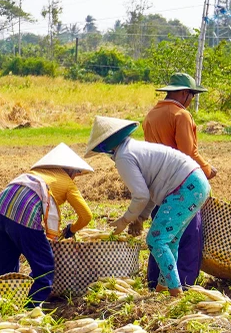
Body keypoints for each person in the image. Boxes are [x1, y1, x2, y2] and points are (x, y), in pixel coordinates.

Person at [85, 116, 211, 298]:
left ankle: (176, 294)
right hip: (196, 183)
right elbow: (151, 190)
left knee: (156, 240)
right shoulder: (134, 148)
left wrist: (125, 219)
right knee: (170, 241)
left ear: (107, 146)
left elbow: (141, 195)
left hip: (184, 187)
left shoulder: (124, 156)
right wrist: (141, 217)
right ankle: (161, 289)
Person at [0, 143, 95, 305]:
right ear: (70, 170)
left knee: (5, 267)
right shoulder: (68, 183)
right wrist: (71, 230)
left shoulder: (36, 172)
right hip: (24, 210)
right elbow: (86, 216)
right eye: (75, 173)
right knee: (45, 266)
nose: (74, 177)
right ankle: (30, 308)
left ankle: (1, 303)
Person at [142, 72, 217, 289]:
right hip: (181, 185)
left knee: (161, 236)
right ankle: (182, 283)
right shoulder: (181, 116)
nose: (191, 100)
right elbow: (188, 153)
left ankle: (155, 282)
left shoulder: (151, 115)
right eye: (191, 95)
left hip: (158, 185)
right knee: (187, 238)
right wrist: (208, 170)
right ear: (184, 94)